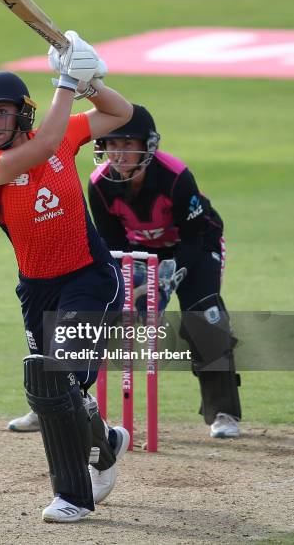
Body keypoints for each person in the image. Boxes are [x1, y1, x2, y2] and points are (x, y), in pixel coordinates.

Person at [0, 31, 133, 523]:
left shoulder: (64, 133)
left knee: (60, 387)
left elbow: (120, 114)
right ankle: (107, 444)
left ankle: (73, 497)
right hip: (36, 289)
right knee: (49, 389)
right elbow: (42, 150)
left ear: (23, 111)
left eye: (0, 111)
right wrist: (66, 78)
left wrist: (90, 81)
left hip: (88, 278)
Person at [88, 104, 242, 439]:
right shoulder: (99, 184)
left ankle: (224, 412)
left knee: (204, 315)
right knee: (104, 311)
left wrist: (170, 278)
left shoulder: (175, 176)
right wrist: (137, 287)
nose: (119, 153)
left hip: (197, 245)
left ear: (149, 145)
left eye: (128, 144)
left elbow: (194, 235)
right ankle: (64, 403)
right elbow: (113, 242)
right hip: (141, 249)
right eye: (112, 145)